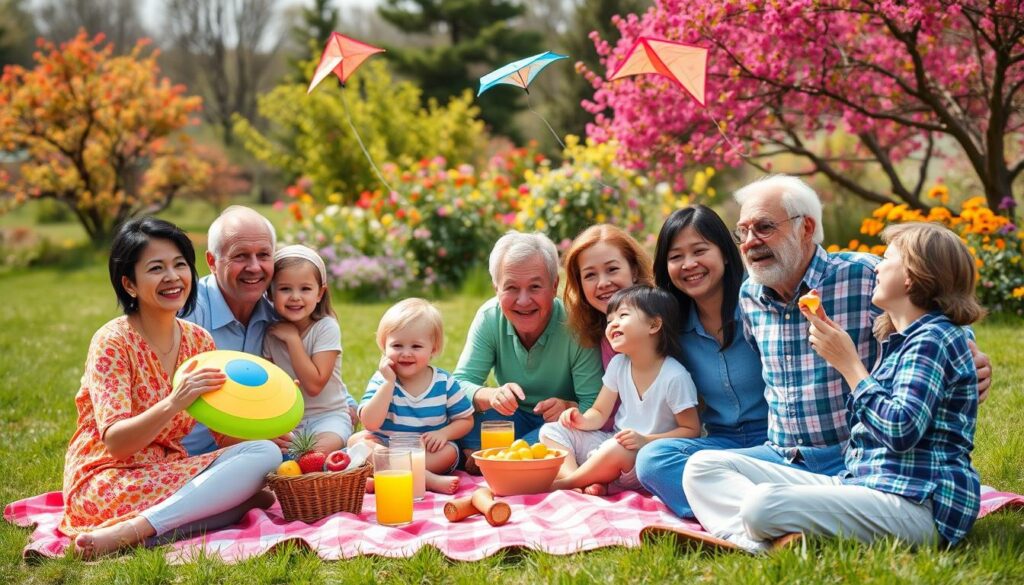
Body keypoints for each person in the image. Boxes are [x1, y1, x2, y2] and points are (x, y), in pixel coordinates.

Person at [683, 222, 984, 552]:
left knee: (762, 503)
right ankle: (766, 542)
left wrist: (849, 364)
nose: (878, 267)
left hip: (918, 506)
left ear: (911, 275)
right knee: (702, 467)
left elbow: (901, 430)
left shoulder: (933, 339)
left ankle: (755, 538)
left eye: (887, 259)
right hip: (864, 485)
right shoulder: (904, 341)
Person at [730, 175, 991, 476]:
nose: (749, 242)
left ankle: (784, 506)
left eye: (764, 227)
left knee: (756, 502)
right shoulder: (750, 295)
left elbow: (932, 317)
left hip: (853, 455)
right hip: (782, 457)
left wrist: (971, 353)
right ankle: (787, 504)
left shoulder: (865, 276)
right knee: (700, 467)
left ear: (806, 228)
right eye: (742, 232)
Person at [63, 217, 281, 559]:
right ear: (129, 284)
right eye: (156, 268)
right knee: (246, 485)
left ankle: (145, 532)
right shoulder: (113, 340)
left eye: (180, 265)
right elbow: (117, 443)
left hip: (168, 473)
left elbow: (224, 438)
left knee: (264, 456)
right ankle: (136, 530)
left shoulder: (198, 341)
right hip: (109, 481)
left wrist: (271, 421)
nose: (172, 277)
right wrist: (174, 402)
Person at [181, 206, 356, 455]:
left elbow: (313, 374)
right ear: (212, 262)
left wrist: (348, 407)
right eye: (240, 255)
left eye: (263, 255)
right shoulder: (189, 313)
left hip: (256, 446)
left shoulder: (279, 315)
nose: (254, 267)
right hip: (193, 453)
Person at [635, 205, 770, 517]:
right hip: (719, 444)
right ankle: (751, 513)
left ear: (724, 252)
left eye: (699, 250)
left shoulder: (761, 308)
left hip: (775, 441)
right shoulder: (672, 328)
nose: (689, 264)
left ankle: (740, 508)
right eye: (676, 257)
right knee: (652, 460)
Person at [453, 231, 603, 470]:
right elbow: (459, 383)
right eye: (511, 287)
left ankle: (494, 459)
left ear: (554, 286)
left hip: (559, 425)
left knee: (558, 436)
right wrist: (490, 396)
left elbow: (594, 403)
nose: (523, 301)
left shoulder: (576, 323)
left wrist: (568, 407)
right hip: (510, 419)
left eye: (535, 287)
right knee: (458, 425)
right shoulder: (490, 317)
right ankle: (516, 458)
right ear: (496, 289)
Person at [542, 286, 700, 495]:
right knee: (551, 431)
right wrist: (580, 420)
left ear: (654, 324)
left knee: (617, 448)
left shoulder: (675, 376)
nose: (612, 324)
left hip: (643, 455)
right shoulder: (619, 364)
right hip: (613, 443)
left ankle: (568, 484)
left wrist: (645, 440)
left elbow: (691, 431)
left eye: (623, 315)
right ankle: (581, 481)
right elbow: (598, 413)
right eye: (609, 320)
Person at [354, 298, 474, 494]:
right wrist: (388, 384)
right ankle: (425, 479)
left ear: (433, 349)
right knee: (358, 442)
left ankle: (387, 476)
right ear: (384, 347)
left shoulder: (444, 382)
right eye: (397, 345)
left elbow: (466, 420)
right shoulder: (382, 380)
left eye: (416, 347)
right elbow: (370, 424)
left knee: (450, 452)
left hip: (426, 451)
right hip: (387, 447)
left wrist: (444, 434)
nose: (406, 353)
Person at [262, 245, 354, 454]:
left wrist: (293, 340)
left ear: (320, 293)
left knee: (313, 454)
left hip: (329, 417)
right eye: (285, 289)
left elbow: (314, 385)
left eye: (305, 289)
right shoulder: (271, 334)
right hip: (291, 422)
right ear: (270, 293)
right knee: (274, 455)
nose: (295, 297)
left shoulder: (326, 327)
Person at [562, 224, 655, 367]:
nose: (603, 283)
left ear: (634, 271)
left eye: (612, 269)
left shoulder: (660, 322)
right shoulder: (593, 333)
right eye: (590, 275)